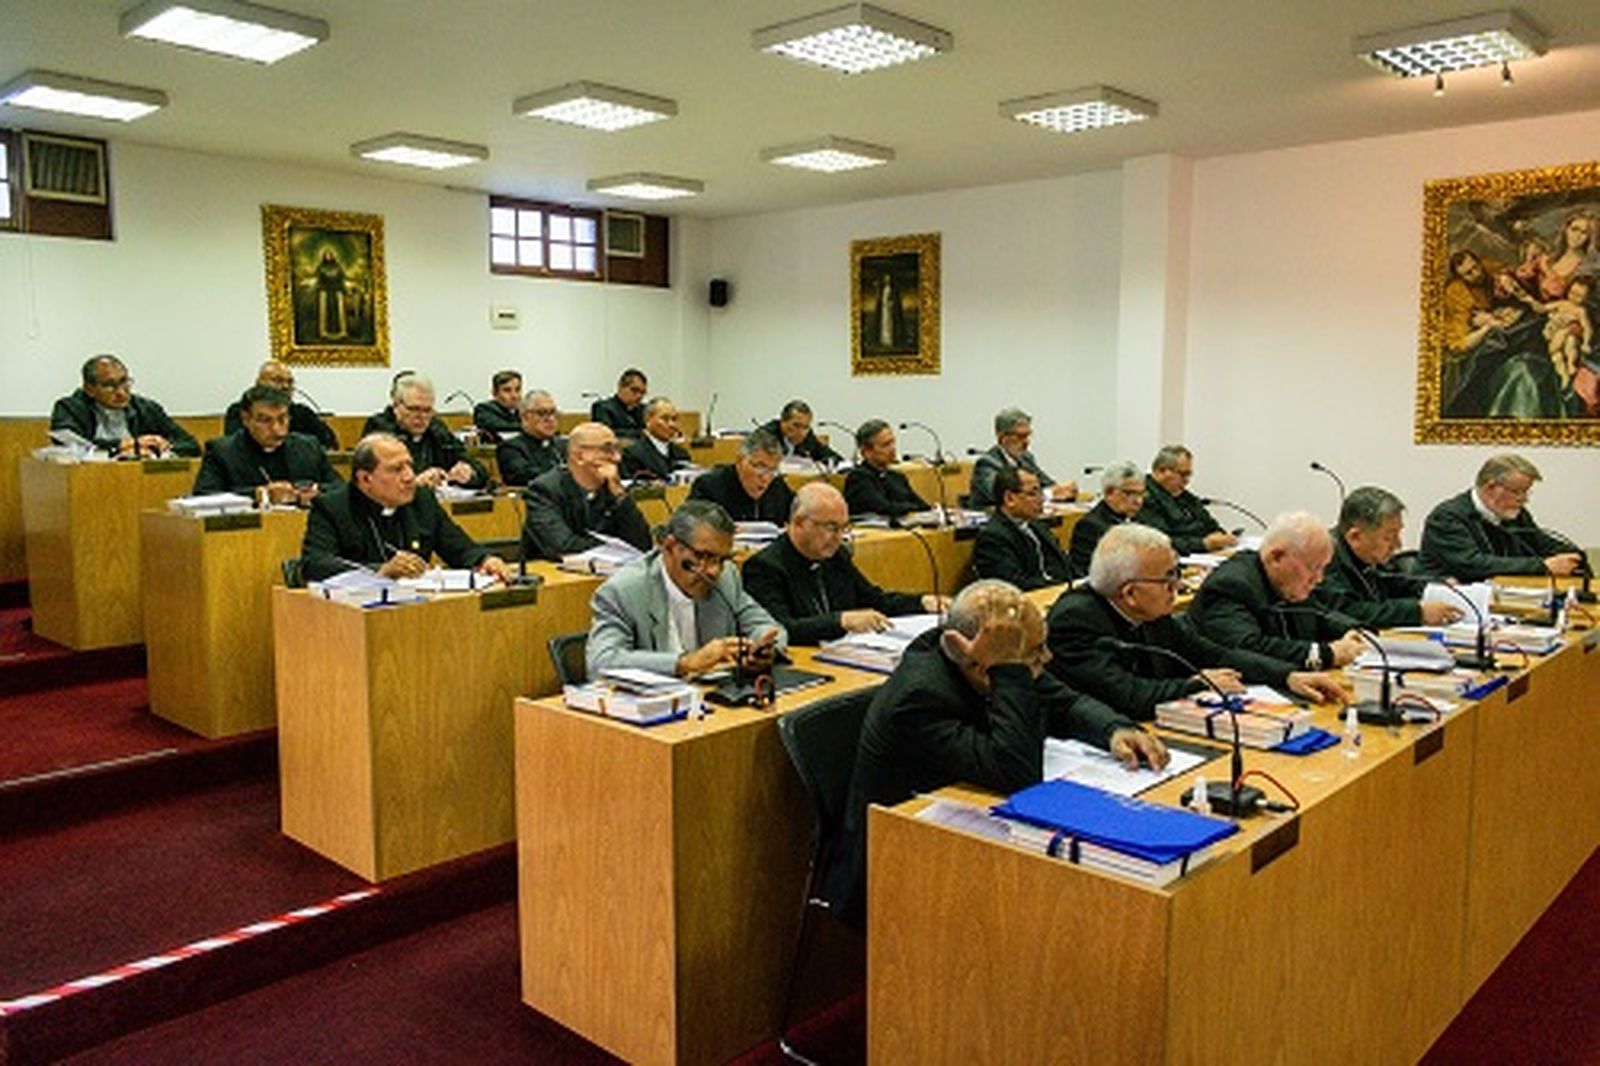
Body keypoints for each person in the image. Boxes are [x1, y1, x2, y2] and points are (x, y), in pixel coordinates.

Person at [823, 579, 1168, 925]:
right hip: (902, 867)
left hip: (969, 838)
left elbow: (1065, 702)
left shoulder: (985, 659)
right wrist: (1009, 671)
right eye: (1036, 651)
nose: (1047, 658)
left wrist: (1114, 729)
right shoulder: (920, 696)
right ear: (978, 662)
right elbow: (1015, 773)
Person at [1047, 524, 1349, 721]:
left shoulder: (1153, 612)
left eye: (1176, 573)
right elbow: (1127, 695)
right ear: (1130, 593)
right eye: (1168, 578)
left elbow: (1214, 654)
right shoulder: (1076, 621)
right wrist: (1195, 684)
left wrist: (1288, 676)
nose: (1178, 586)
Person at [586, 499, 787, 678]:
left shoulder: (726, 579)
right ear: (670, 546)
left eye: (722, 560)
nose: (714, 571)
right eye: (704, 557)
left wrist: (762, 650)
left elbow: (769, 628)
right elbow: (601, 662)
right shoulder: (623, 591)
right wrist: (684, 663)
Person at [743, 482, 942, 644]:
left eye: (844, 528)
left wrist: (922, 602)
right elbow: (781, 629)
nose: (838, 537)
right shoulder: (764, 567)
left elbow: (875, 600)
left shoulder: (836, 557)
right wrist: (841, 621)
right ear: (799, 522)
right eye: (831, 527)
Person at [300, 433, 510, 582]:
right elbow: (315, 564)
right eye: (396, 469)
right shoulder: (333, 507)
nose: (409, 476)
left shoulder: (422, 500)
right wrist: (380, 571)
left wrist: (485, 559)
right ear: (365, 479)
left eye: (410, 465)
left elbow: (459, 546)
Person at [1188, 512, 1367, 670]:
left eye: (1323, 568)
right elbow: (1246, 648)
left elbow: (1318, 615)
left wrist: (1354, 631)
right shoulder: (1230, 585)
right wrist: (1324, 654)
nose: (1318, 578)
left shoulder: (1288, 581)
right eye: (1313, 567)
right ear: (1277, 557)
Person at [1314, 486, 1463, 629]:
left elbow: (1401, 586)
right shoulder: (1324, 559)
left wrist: (1437, 588)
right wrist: (1417, 612)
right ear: (1355, 537)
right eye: (1389, 537)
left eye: (1398, 534)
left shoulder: (1374, 558)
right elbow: (1348, 612)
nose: (1398, 545)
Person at [1418, 454, 1582, 581]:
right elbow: (1472, 564)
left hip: (1503, 595)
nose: (1524, 499)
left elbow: (1539, 542)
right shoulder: (1447, 517)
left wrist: (1573, 555)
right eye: (1517, 492)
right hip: (1452, 600)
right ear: (1491, 487)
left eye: (1526, 492)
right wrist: (1542, 566)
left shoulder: (1515, 513)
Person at [520, 422, 652, 561]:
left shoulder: (612, 488)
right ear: (579, 456)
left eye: (617, 449)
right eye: (607, 450)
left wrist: (620, 494)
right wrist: (616, 548)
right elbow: (562, 546)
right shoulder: (544, 490)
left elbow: (643, 543)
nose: (617, 458)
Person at [192, 385, 338, 503]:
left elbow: (340, 488)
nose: (276, 429)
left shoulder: (308, 447)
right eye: (265, 421)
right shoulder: (222, 452)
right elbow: (204, 497)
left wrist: (317, 492)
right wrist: (259, 494)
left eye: (282, 419)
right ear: (246, 419)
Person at [50, 354, 199, 457]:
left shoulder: (146, 408)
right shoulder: (69, 408)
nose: (121, 392)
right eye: (109, 385)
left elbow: (191, 445)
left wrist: (157, 450)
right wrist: (123, 445)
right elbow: (71, 447)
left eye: (124, 382)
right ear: (89, 389)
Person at [363, 373, 488, 490]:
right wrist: (415, 482)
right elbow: (375, 482)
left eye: (427, 410)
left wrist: (469, 474)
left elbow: (479, 470)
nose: (421, 416)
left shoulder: (436, 428)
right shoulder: (380, 429)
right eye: (414, 409)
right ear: (396, 406)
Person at [971, 467, 1074, 590]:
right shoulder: (992, 538)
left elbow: (1064, 563)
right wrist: (1059, 586)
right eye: (1032, 494)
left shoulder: (1038, 526)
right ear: (1009, 498)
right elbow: (1015, 584)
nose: (1041, 500)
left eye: (1041, 492)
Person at [968, 407, 1077, 509]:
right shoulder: (986, 464)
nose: (1026, 442)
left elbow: (1047, 484)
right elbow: (1004, 496)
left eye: (1028, 435)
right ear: (1002, 437)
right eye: (1020, 436)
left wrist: (1063, 490)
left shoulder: (1026, 458)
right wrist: (1049, 494)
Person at [1134, 445, 1235, 554]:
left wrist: (1220, 536)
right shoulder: (1142, 497)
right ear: (1160, 471)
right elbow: (1161, 542)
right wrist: (1203, 544)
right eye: (1182, 474)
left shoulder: (1183, 495)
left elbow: (1210, 525)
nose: (1187, 480)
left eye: (1189, 475)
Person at [222, 360, 338, 449]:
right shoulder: (240, 410)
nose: (285, 386)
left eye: (290, 382)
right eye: (277, 380)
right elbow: (235, 445)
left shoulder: (302, 412)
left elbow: (329, 442)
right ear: (259, 383)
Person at [688, 427, 794, 523]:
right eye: (759, 467)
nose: (766, 478)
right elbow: (690, 528)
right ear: (739, 460)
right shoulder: (709, 487)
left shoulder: (778, 487)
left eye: (773, 470)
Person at [1067, 461, 1145, 575]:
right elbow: (1088, 573)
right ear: (1109, 492)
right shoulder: (1090, 526)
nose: (1138, 501)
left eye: (1141, 494)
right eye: (1129, 494)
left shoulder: (1141, 519)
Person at [843, 419, 928, 519]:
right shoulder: (859, 478)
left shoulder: (897, 477)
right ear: (866, 451)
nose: (893, 449)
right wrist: (911, 508)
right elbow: (885, 508)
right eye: (886, 445)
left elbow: (923, 506)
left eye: (893, 442)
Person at [496, 390, 566, 487]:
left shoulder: (564, 445)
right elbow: (523, 476)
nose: (550, 419)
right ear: (525, 417)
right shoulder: (511, 448)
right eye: (542, 413)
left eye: (553, 412)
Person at [621, 396, 692, 481]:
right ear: (648, 420)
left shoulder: (682, 454)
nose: (672, 425)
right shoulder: (633, 454)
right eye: (665, 419)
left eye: (674, 419)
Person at [758, 400, 843, 465]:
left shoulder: (808, 436)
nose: (801, 432)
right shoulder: (767, 435)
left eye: (805, 427)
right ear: (783, 422)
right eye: (796, 425)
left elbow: (832, 457)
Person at [590, 368, 648, 438]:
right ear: (621, 387)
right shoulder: (603, 407)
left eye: (642, 393)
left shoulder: (644, 410)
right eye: (634, 390)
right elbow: (606, 434)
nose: (639, 396)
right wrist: (640, 433)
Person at [473, 370, 523, 442]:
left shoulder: (525, 411)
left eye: (517, 390)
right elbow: (499, 425)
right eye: (507, 390)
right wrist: (528, 426)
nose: (514, 396)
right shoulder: (484, 409)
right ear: (494, 393)